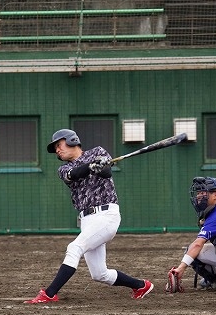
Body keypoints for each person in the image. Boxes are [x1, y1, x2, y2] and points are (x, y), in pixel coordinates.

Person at [25, 129, 153, 303]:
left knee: (74, 248)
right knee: (99, 274)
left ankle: (49, 293)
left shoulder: (98, 152)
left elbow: (106, 173)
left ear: (71, 140)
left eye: (59, 145)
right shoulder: (64, 169)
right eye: (55, 148)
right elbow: (74, 174)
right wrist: (90, 166)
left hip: (106, 215)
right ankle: (141, 285)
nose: (57, 150)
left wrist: (100, 165)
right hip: (87, 220)